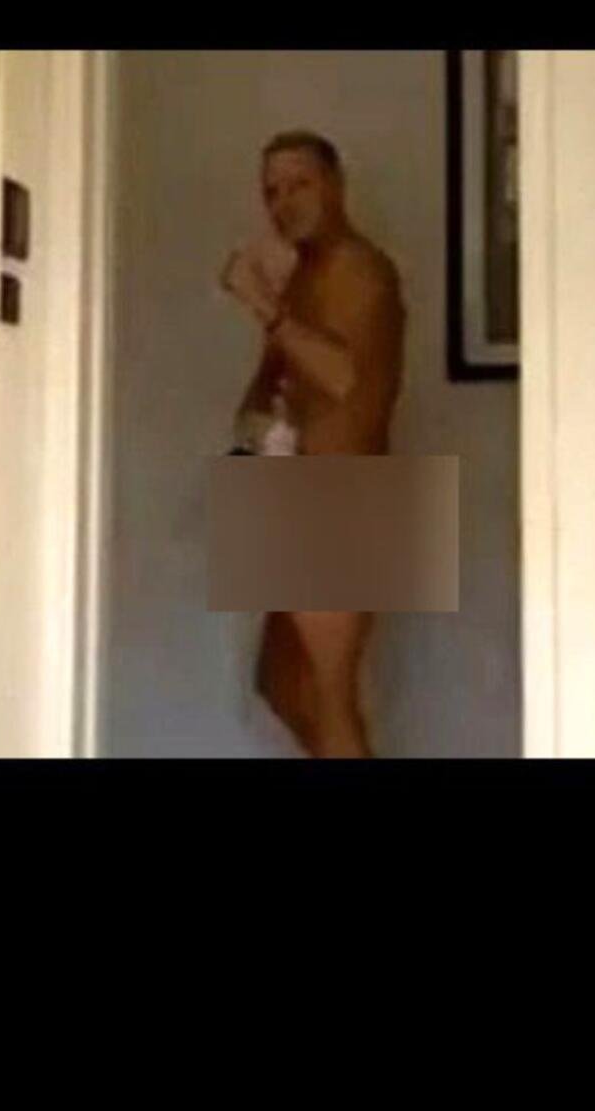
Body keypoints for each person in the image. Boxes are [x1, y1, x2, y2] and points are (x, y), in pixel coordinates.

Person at [220, 130, 406, 758]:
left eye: (300, 184)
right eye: (271, 192)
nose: (284, 203)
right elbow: (281, 378)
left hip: (348, 499)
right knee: (278, 680)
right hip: (301, 494)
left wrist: (262, 304)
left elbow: (342, 377)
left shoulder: (362, 268)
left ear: (336, 185)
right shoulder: (306, 273)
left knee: (330, 694)